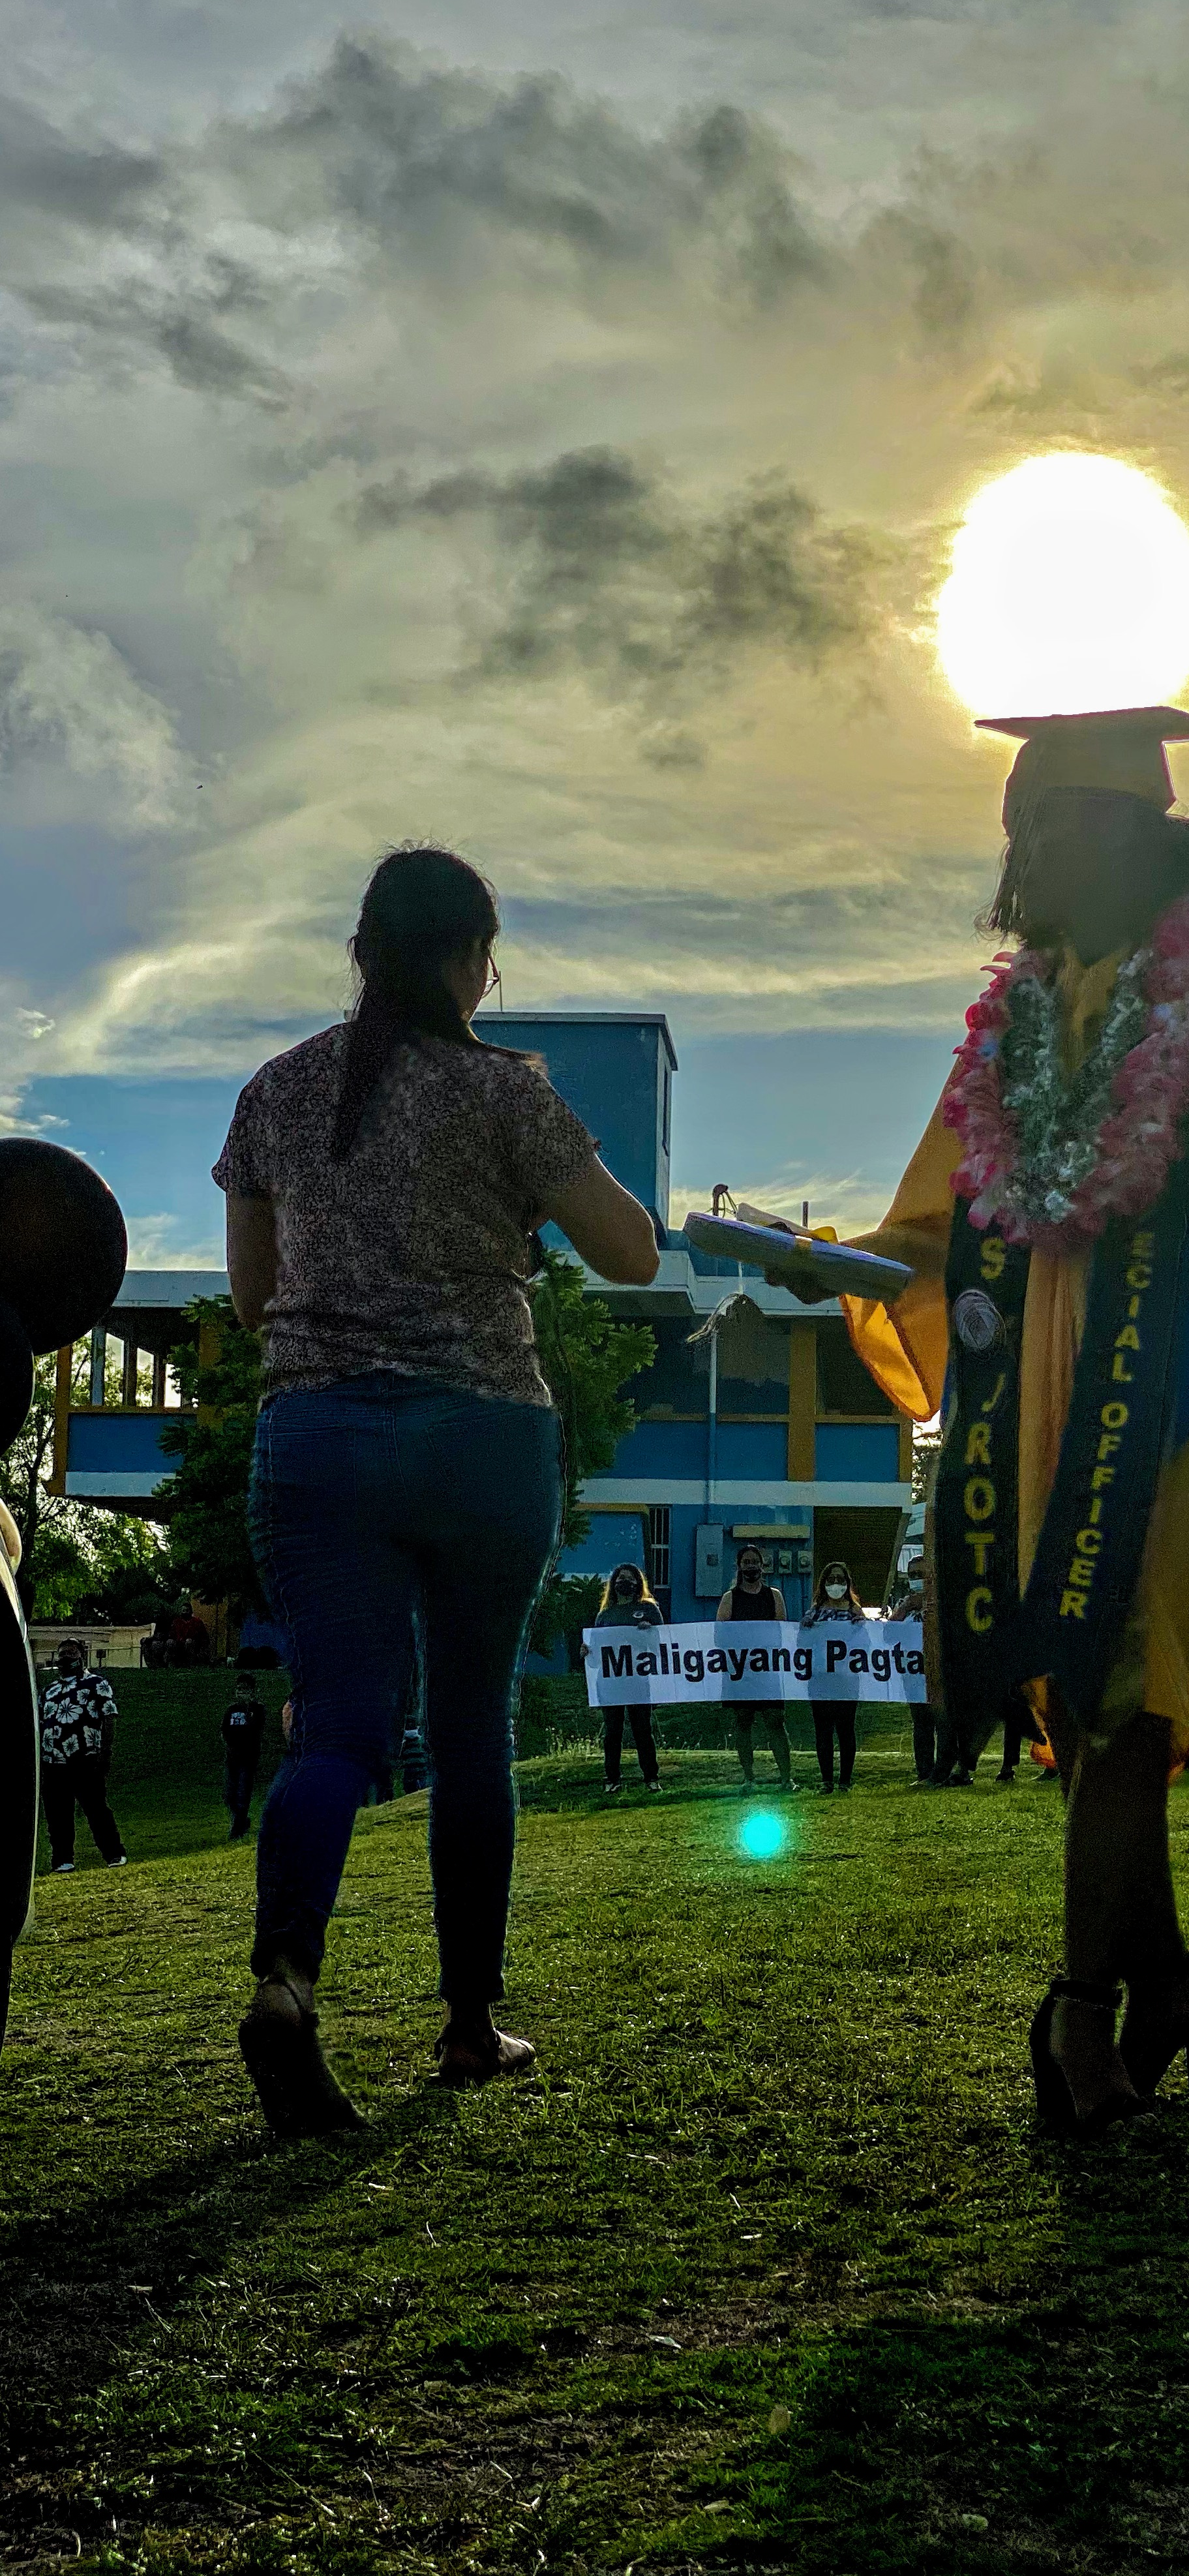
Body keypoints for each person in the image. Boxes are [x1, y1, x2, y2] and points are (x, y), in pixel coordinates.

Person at [772, 705, 1189, 2134]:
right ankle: (1168, 1985)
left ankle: (1078, 2014)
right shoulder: (1012, 1036)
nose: (1030, 848)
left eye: (1057, 822)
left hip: (1178, 1396)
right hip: (1037, 1408)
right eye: (1020, 824)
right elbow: (941, 1227)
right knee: (1081, 1687)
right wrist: (838, 1265)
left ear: (1143, 838)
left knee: (1122, 1689)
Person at [215, 845, 658, 2135]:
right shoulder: (506, 1093)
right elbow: (630, 1253)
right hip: (481, 1434)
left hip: (318, 1440)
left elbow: (252, 1301)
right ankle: (469, 2027)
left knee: (341, 1728)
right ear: (471, 960)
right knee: (473, 1733)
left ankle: (287, 1980)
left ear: (363, 956)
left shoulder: (275, 1093)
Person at [38, 1639, 125, 1872]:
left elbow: (109, 1716)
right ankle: (62, 1860)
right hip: (53, 1763)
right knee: (58, 1815)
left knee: (96, 1809)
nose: (66, 1658)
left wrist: (106, 1752)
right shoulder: (49, 1691)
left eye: (71, 1653)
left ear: (81, 1656)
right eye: (62, 1654)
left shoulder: (97, 1684)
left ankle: (114, 1854)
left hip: (85, 1758)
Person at [717, 1543, 798, 1793]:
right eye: (746, 1562)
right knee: (743, 1721)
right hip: (741, 1671)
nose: (751, 1566)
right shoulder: (730, 1598)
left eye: (755, 1561)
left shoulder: (774, 1595)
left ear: (762, 1566)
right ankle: (749, 1778)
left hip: (768, 1669)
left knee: (776, 1720)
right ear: (739, 1566)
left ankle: (787, 1778)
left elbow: (781, 1629)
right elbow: (721, 1633)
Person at [594, 1562, 664, 1795]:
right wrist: (587, 1652)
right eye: (621, 1578)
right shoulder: (605, 1615)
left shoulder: (650, 1609)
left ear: (638, 1583)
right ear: (613, 1584)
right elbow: (597, 1654)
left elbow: (662, 1644)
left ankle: (651, 1778)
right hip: (612, 1683)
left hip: (639, 1681)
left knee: (642, 1730)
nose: (626, 1582)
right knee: (613, 1732)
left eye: (630, 1578)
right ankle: (612, 1779)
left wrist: (651, 1631)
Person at [802, 1559, 864, 1792]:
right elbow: (802, 1642)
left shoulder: (854, 1611)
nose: (835, 1584)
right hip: (820, 1679)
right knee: (823, 1730)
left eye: (840, 1580)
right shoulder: (815, 1611)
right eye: (831, 1580)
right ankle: (827, 1780)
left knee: (846, 1729)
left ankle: (845, 1781)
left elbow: (865, 1643)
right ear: (823, 1583)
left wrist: (862, 1626)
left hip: (847, 1680)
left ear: (847, 1584)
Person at [888, 1557, 938, 1784]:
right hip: (914, 1675)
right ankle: (924, 1772)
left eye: (922, 1573)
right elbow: (888, 1636)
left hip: (939, 1673)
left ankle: (949, 1771)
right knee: (921, 1724)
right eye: (913, 1575)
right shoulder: (903, 1604)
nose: (917, 1579)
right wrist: (907, 1607)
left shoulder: (941, 1600)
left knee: (945, 1724)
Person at [220, 1670, 267, 1841]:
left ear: (252, 1692)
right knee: (229, 1795)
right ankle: (241, 1820)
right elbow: (225, 1730)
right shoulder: (231, 1710)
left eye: (245, 1690)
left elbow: (257, 1729)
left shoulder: (258, 1710)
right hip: (232, 1758)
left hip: (248, 1758)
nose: (241, 1693)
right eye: (239, 1690)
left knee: (243, 1794)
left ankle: (238, 1828)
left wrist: (248, 1711)